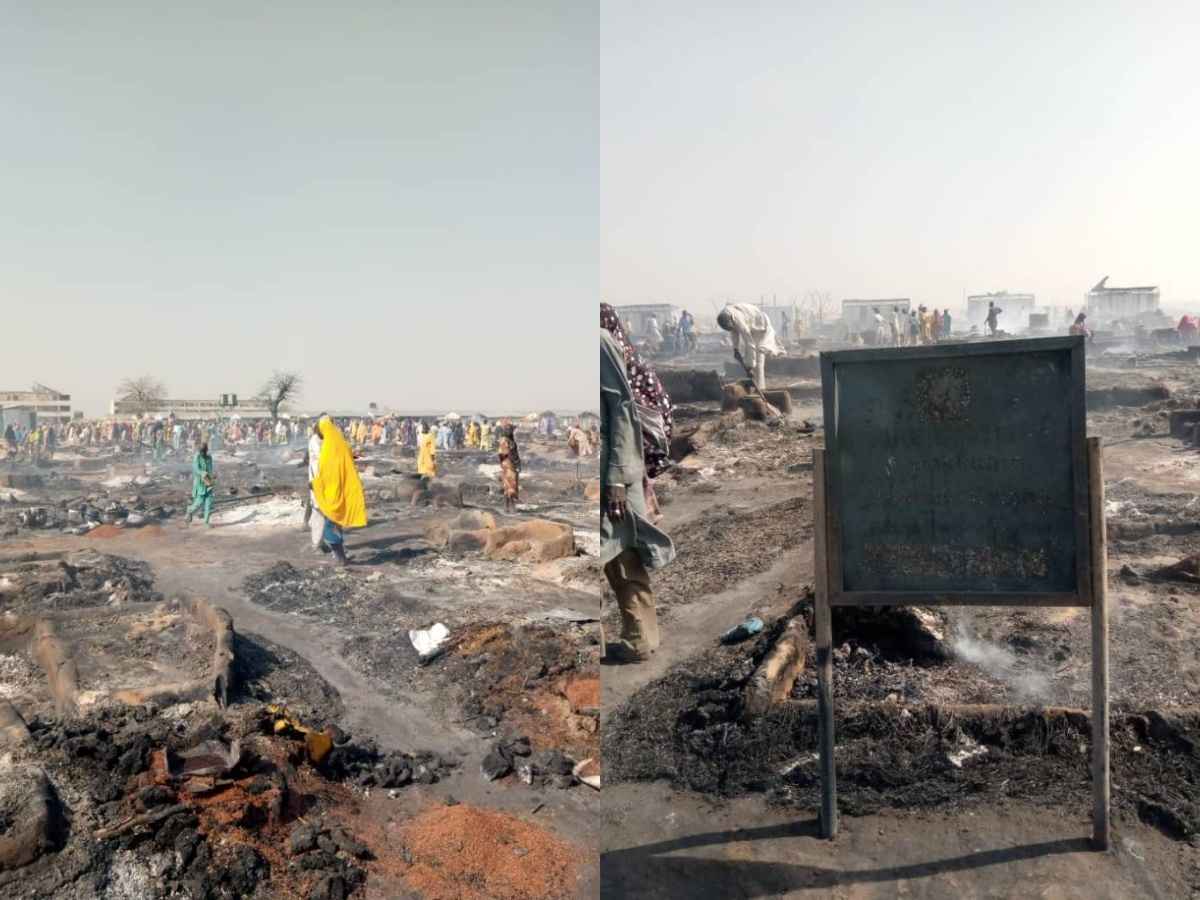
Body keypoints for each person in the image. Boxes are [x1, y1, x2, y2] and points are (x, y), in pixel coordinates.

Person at [601, 328, 676, 663]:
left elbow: (622, 409)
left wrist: (617, 477)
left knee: (621, 554)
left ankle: (639, 640)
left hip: (610, 475)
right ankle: (634, 640)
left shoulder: (597, 342)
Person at [309, 416, 367, 566]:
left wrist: (315, 485)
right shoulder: (341, 443)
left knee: (330, 523)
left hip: (330, 491)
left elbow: (322, 471)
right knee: (335, 523)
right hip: (343, 489)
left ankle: (340, 558)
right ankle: (340, 556)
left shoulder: (327, 448)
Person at [715, 302, 784, 390]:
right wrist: (735, 349)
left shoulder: (738, 319)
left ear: (732, 320)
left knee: (758, 359)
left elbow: (749, 342)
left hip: (760, 326)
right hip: (751, 324)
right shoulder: (726, 316)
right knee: (750, 358)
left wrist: (750, 366)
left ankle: (760, 388)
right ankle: (754, 383)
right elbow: (734, 332)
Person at [185, 443, 215, 527]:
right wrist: (202, 473)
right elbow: (196, 468)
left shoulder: (209, 458)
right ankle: (189, 510)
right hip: (200, 484)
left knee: (208, 504)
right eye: (201, 452)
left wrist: (212, 477)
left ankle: (206, 522)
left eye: (203, 452)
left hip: (208, 483)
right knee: (199, 502)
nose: (202, 453)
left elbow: (210, 469)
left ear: (206, 451)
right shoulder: (197, 457)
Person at [496, 420, 521, 512]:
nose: (510, 431)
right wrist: (511, 459)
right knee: (509, 485)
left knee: (512, 485)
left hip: (513, 465)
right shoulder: (504, 440)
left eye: (511, 429)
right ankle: (509, 506)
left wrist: (517, 462)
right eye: (508, 429)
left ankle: (509, 506)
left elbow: (514, 452)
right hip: (508, 465)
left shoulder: (510, 439)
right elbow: (502, 454)